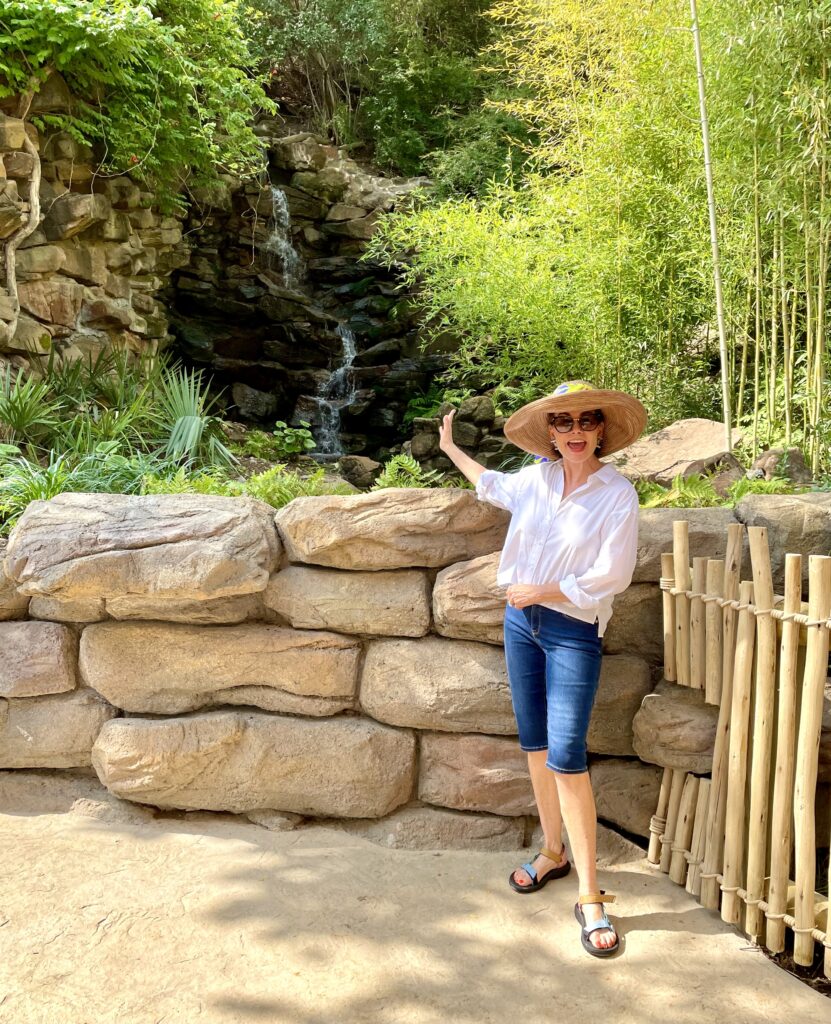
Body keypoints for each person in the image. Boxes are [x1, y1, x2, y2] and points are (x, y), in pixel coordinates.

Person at [437, 380, 646, 958]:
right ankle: (552, 851)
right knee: (534, 744)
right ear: (550, 433)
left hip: (572, 629)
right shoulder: (534, 480)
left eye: (585, 421)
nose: (574, 431)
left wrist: (540, 588)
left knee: (566, 755)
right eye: (563, 422)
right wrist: (450, 447)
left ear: (601, 428)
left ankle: (590, 895)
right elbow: (490, 485)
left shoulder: (617, 494)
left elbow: (614, 574)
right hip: (520, 626)